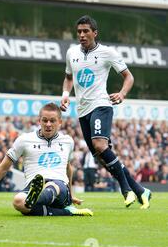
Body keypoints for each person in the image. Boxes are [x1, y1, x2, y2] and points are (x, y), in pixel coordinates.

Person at [60, 15, 151, 209]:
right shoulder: (71, 53)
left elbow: (129, 77)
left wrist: (122, 93)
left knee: (100, 145)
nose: (82, 35)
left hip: (101, 104)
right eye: (79, 32)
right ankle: (141, 190)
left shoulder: (107, 53)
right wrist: (65, 94)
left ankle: (126, 189)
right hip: (82, 109)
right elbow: (68, 77)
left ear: (95, 33)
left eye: (86, 31)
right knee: (101, 156)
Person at [0, 103, 93, 217]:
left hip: (59, 187)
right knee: (18, 201)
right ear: (39, 121)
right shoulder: (24, 140)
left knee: (52, 186)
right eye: (45, 120)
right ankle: (66, 212)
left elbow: (68, 168)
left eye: (52, 121)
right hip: (33, 186)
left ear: (59, 122)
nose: (48, 124)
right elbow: (3, 168)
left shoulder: (67, 141)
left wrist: (70, 194)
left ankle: (37, 199)